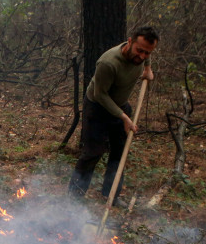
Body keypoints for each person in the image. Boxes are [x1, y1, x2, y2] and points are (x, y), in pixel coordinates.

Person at [68, 26, 159, 205]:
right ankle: (74, 197)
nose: (141, 56)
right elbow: (100, 94)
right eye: (139, 51)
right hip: (97, 107)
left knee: (119, 152)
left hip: (120, 106)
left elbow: (146, 55)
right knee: (93, 152)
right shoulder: (108, 63)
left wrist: (148, 68)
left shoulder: (142, 56)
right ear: (130, 42)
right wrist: (123, 117)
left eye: (147, 53)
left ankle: (111, 194)